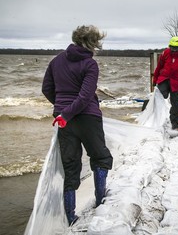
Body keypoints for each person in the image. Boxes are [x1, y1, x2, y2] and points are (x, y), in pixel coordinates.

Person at [42, 25, 113, 225]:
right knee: (100, 158)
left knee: (70, 165)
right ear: (91, 43)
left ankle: (71, 217)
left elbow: (46, 88)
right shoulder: (90, 64)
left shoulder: (56, 61)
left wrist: (62, 109)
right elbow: (85, 96)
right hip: (88, 118)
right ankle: (101, 201)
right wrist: (67, 111)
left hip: (64, 121)